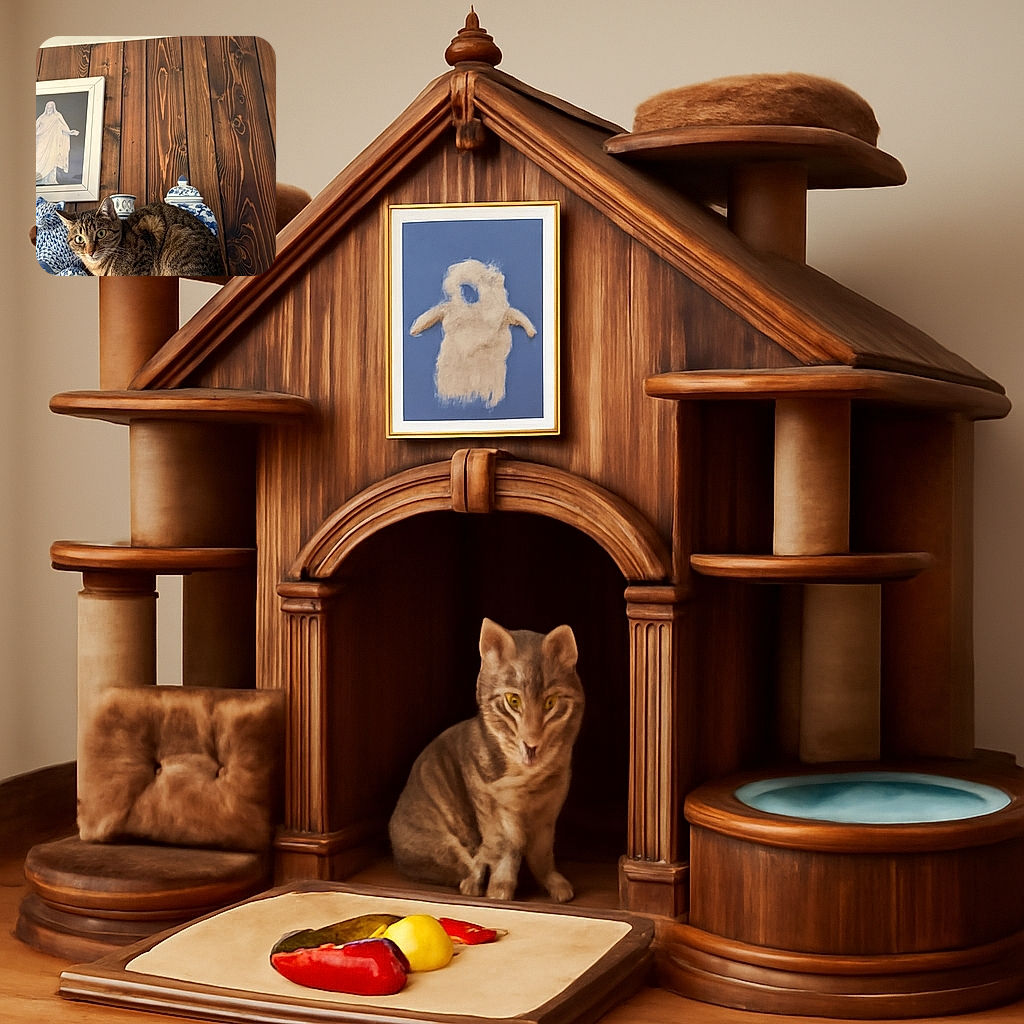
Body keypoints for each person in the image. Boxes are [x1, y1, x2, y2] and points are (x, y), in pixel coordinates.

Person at [36, 100, 79, 185]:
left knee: (52, 159)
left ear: (53, 108)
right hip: (41, 142)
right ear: (46, 108)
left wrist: (70, 132)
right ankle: (40, 179)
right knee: (39, 160)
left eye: (51, 108)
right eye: (48, 107)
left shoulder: (57, 116)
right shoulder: (42, 117)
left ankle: (50, 180)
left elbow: (63, 127)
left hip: (53, 143)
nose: (49, 109)